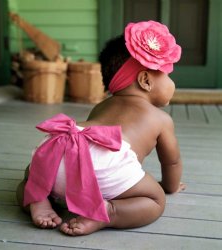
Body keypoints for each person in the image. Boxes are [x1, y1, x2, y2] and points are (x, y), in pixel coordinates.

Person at [16, 20, 185, 236]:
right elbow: (171, 162)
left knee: (31, 177)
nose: (171, 81)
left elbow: (84, 144)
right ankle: (107, 211)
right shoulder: (161, 119)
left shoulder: (101, 106)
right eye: (168, 75)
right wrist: (170, 187)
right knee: (155, 200)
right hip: (104, 165)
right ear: (145, 80)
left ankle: (37, 199)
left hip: (58, 141)